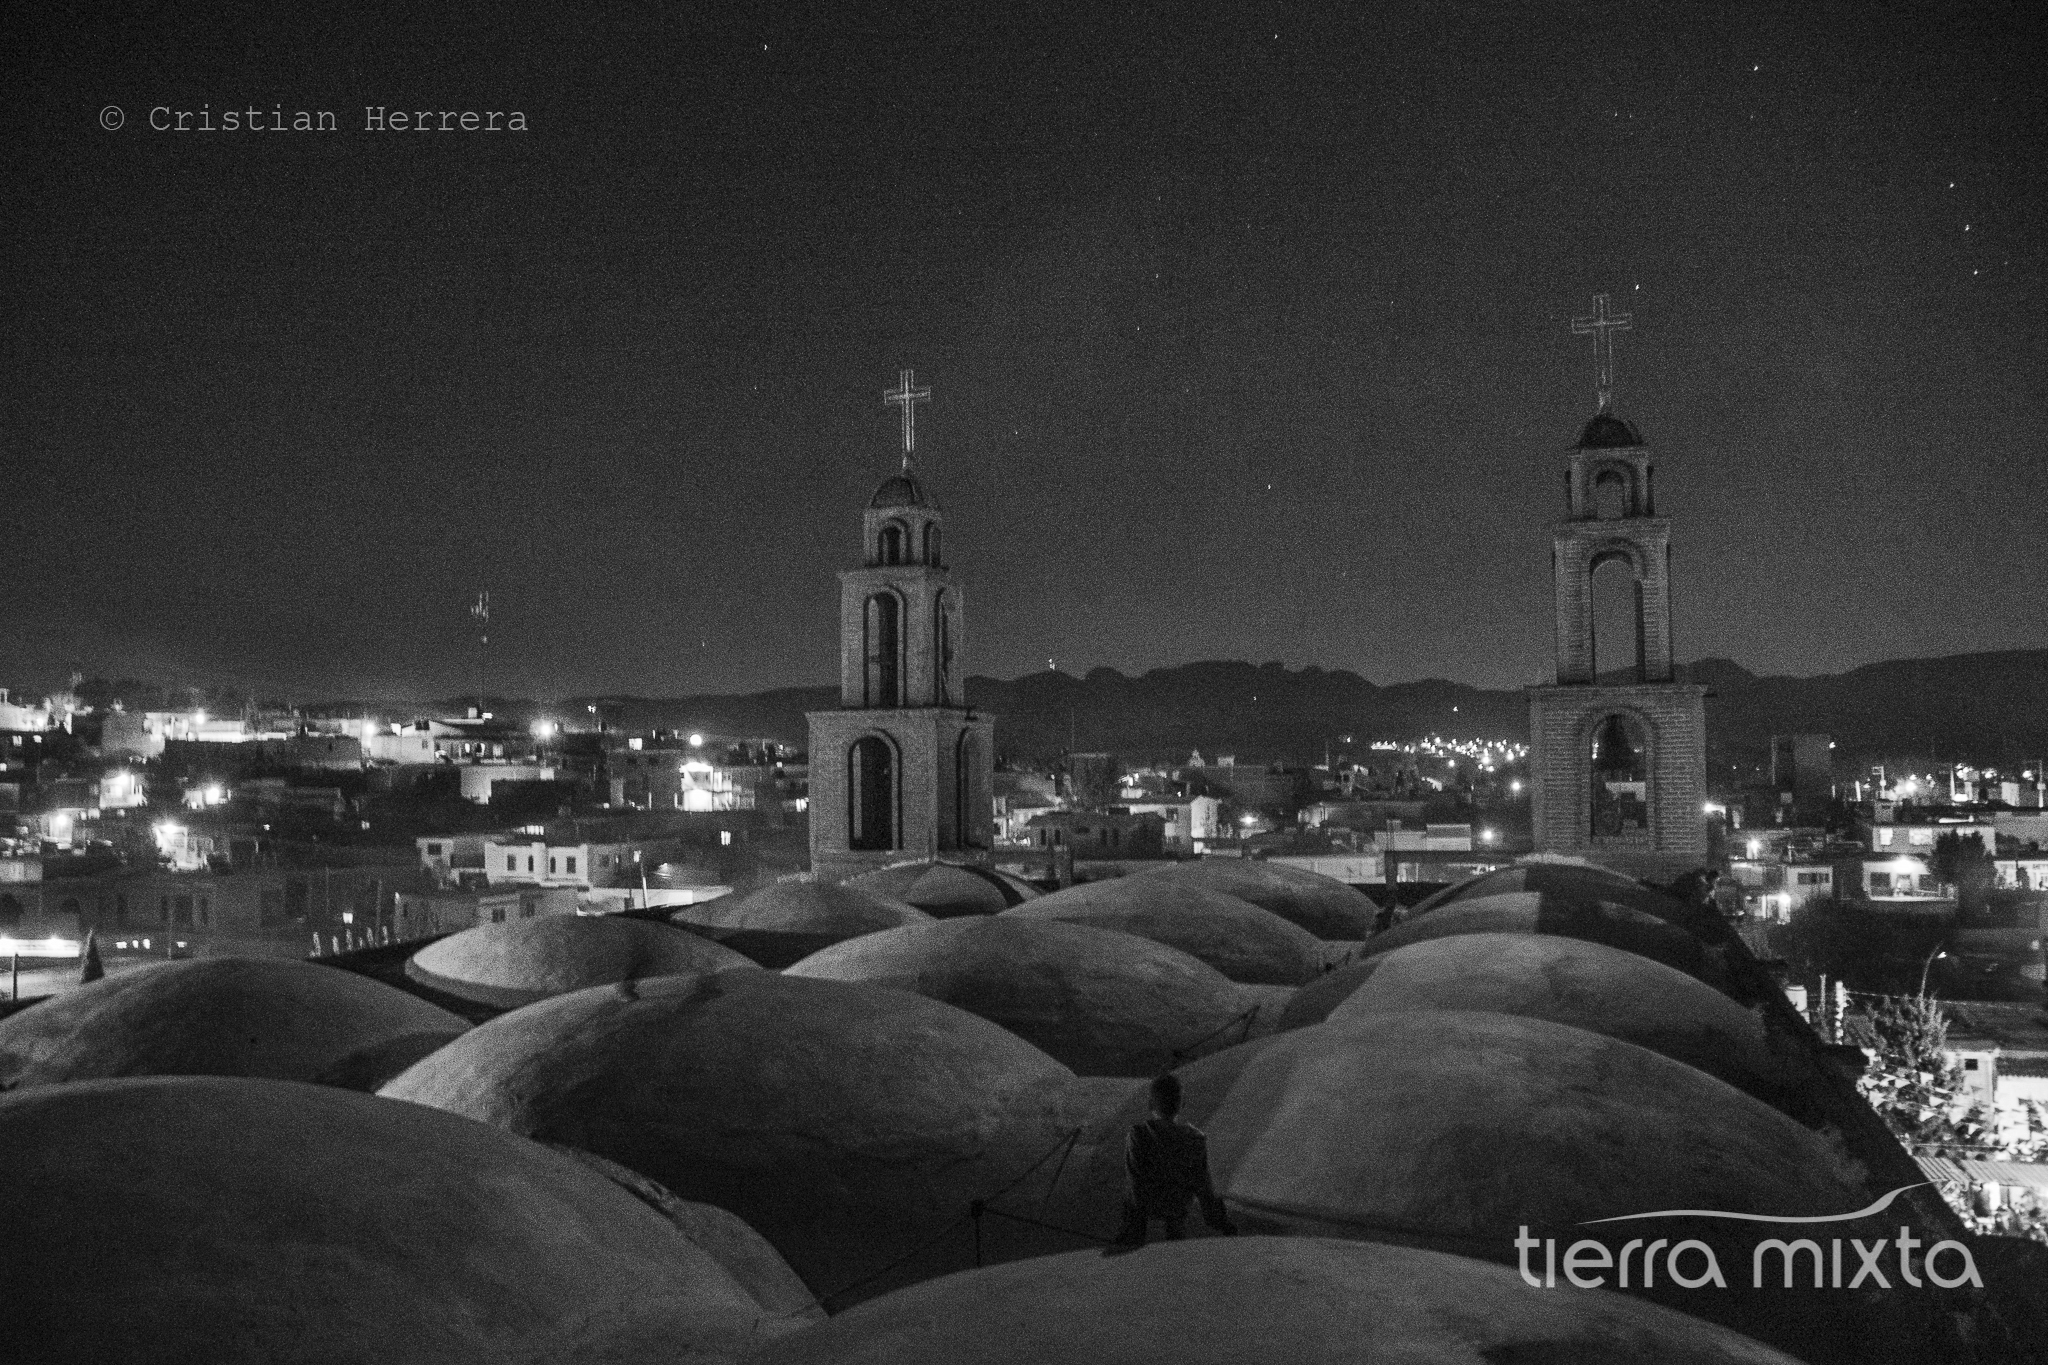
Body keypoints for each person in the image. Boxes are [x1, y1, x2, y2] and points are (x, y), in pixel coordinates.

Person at [1114, 1073, 1236, 1247]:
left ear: (1150, 1104)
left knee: (1132, 1209)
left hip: (1144, 1207)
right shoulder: (1194, 1138)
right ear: (1181, 1104)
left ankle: (1131, 1240)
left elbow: (1136, 1180)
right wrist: (1221, 1222)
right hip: (1177, 1208)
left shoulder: (1138, 1134)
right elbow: (1203, 1185)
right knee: (1176, 1230)